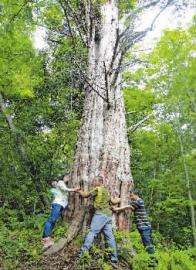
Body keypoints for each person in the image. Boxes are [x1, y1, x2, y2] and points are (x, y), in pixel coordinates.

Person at [77, 176, 119, 264]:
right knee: (110, 237)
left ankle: (82, 254)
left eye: (95, 180)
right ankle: (114, 258)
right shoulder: (106, 191)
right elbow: (113, 201)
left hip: (100, 214)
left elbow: (85, 195)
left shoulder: (97, 189)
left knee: (92, 232)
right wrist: (120, 199)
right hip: (108, 216)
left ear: (100, 182)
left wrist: (78, 190)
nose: (93, 182)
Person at [42, 174, 79, 250]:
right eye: (52, 183)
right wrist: (74, 189)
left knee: (53, 221)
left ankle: (48, 240)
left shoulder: (57, 188)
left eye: (53, 182)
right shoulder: (60, 182)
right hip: (58, 205)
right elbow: (64, 189)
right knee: (51, 220)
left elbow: (59, 195)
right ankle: (45, 240)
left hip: (59, 205)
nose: (68, 178)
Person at [112, 188, 155, 254]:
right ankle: (150, 259)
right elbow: (130, 206)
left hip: (145, 227)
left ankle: (153, 260)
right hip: (142, 227)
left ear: (136, 195)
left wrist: (118, 208)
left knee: (148, 244)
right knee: (146, 243)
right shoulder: (136, 203)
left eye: (131, 195)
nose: (130, 197)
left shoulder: (139, 201)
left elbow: (129, 206)